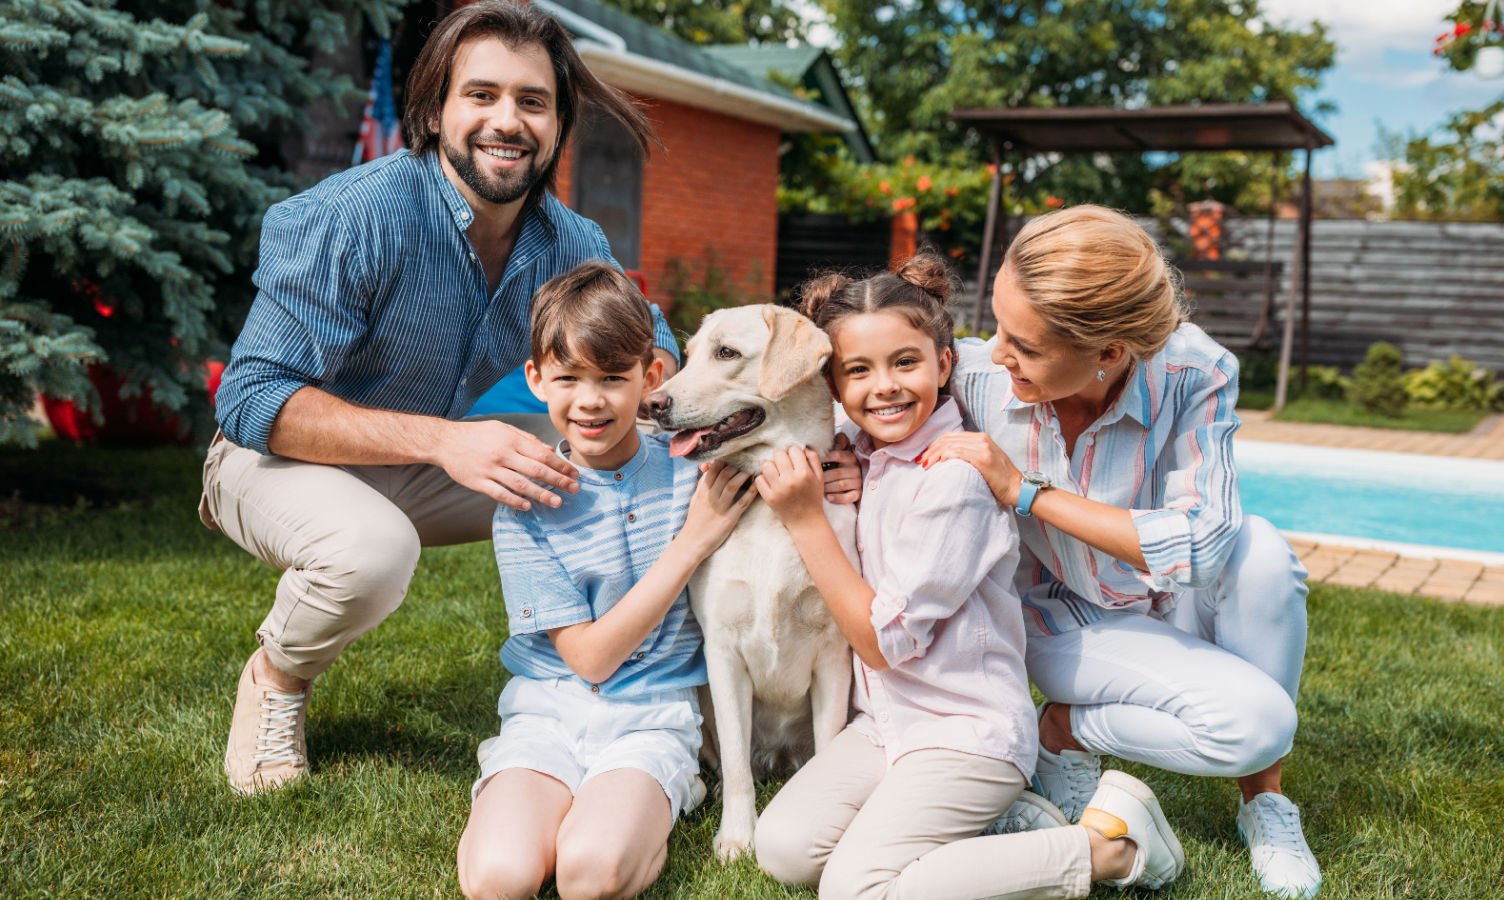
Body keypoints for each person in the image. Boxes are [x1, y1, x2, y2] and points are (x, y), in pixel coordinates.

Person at [201, 1, 679, 795]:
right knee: (373, 551)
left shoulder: (571, 244)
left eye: (533, 101)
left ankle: (617, 694)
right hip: (271, 462)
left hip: (426, 461)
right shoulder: (351, 217)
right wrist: (445, 441)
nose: (508, 121)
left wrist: (767, 429)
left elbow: (656, 353)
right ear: (433, 111)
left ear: (557, 126)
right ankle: (276, 679)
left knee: (620, 463)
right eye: (482, 95)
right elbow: (250, 399)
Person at [750, 254, 1186, 899]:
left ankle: (1108, 849)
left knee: (855, 889)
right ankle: (997, 827)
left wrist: (807, 520)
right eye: (857, 371)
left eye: (906, 362)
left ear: (945, 364)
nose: (884, 387)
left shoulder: (953, 480)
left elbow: (883, 642)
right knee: (784, 849)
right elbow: (837, 429)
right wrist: (842, 458)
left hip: (967, 732)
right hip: (887, 723)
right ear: (835, 387)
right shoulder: (867, 452)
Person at [919, 205, 1320, 898]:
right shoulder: (980, 376)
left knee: (1261, 551)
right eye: (999, 324)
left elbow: (1201, 546)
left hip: (1173, 598)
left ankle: (1263, 800)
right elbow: (872, 403)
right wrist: (833, 456)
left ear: (1109, 353)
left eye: (1027, 345)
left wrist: (1026, 491)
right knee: (1259, 723)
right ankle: (1065, 726)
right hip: (1063, 621)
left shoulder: (1195, 370)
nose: (999, 351)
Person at [455, 263, 753, 900]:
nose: (590, 400)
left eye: (613, 378)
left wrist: (843, 465)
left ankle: (657, 798)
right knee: (498, 879)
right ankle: (554, 799)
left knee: (589, 875)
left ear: (651, 378)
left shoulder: (694, 470)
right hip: (549, 713)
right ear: (536, 379)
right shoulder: (527, 502)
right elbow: (589, 659)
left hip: (652, 718)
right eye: (568, 378)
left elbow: (798, 443)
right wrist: (693, 541)